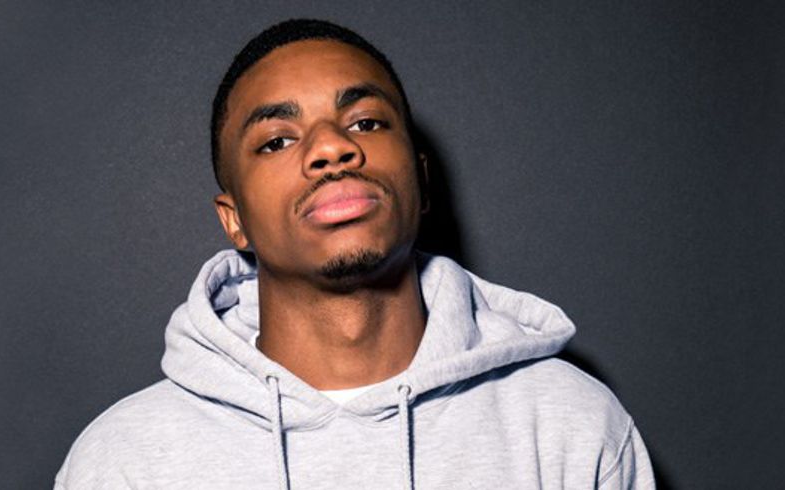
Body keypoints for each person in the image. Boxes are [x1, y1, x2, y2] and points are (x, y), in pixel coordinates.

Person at [55, 19, 655, 489]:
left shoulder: (570, 425)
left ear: (420, 181)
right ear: (234, 220)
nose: (331, 147)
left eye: (365, 122)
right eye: (277, 140)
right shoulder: (123, 462)